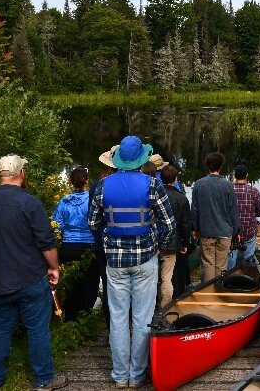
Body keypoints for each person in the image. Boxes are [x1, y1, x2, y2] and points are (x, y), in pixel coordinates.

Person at [0, 154, 68, 391]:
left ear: (0, 175)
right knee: (37, 329)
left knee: (0, 329)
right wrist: (54, 268)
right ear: (21, 174)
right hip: (29, 277)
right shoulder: (30, 203)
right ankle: (44, 379)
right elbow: (46, 243)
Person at [88, 136, 177, 388]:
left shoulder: (103, 186)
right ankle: (136, 375)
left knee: (117, 318)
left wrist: (109, 233)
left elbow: (93, 223)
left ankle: (119, 375)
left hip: (115, 261)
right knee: (142, 317)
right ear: (141, 159)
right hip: (145, 259)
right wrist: (157, 243)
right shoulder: (152, 184)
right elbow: (169, 225)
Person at [52, 166, 99, 322]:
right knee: (90, 284)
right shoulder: (92, 200)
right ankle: (84, 316)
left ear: (71, 182)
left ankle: (70, 317)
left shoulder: (64, 201)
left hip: (68, 246)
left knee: (71, 284)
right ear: (87, 180)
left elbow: (57, 225)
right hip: (88, 246)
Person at [191, 152, 241, 282]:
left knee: (208, 264)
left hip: (206, 231)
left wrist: (194, 228)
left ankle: (209, 292)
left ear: (208, 166)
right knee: (221, 265)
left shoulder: (198, 185)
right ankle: (219, 290)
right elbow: (233, 210)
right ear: (221, 167)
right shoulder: (228, 185)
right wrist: (237, 231)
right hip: (224, 232)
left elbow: (195, 210)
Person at [89, 144, 118, 329]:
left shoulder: (99, 185)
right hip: (128, 245)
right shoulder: (140, 183)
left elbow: (92, 220)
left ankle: (111, 329)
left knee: (108, 286)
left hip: (103, 244)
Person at [158, 164, 191, 307]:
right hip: (173, 243)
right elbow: (185, 224)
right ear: (175, 179)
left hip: (155, 242)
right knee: (167, 277)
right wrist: (185, 243)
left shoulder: (155, 194)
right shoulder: (181, 198)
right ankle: (165, 308)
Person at [228, 164, 260, 268]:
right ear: (247, 175)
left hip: (232, 232)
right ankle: (247, 277)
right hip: (249, 231)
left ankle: (229, 279)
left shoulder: (228, 190)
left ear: (235, 175)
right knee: (249, 260)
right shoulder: (253, 191)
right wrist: (253, 213)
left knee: (231, 261)